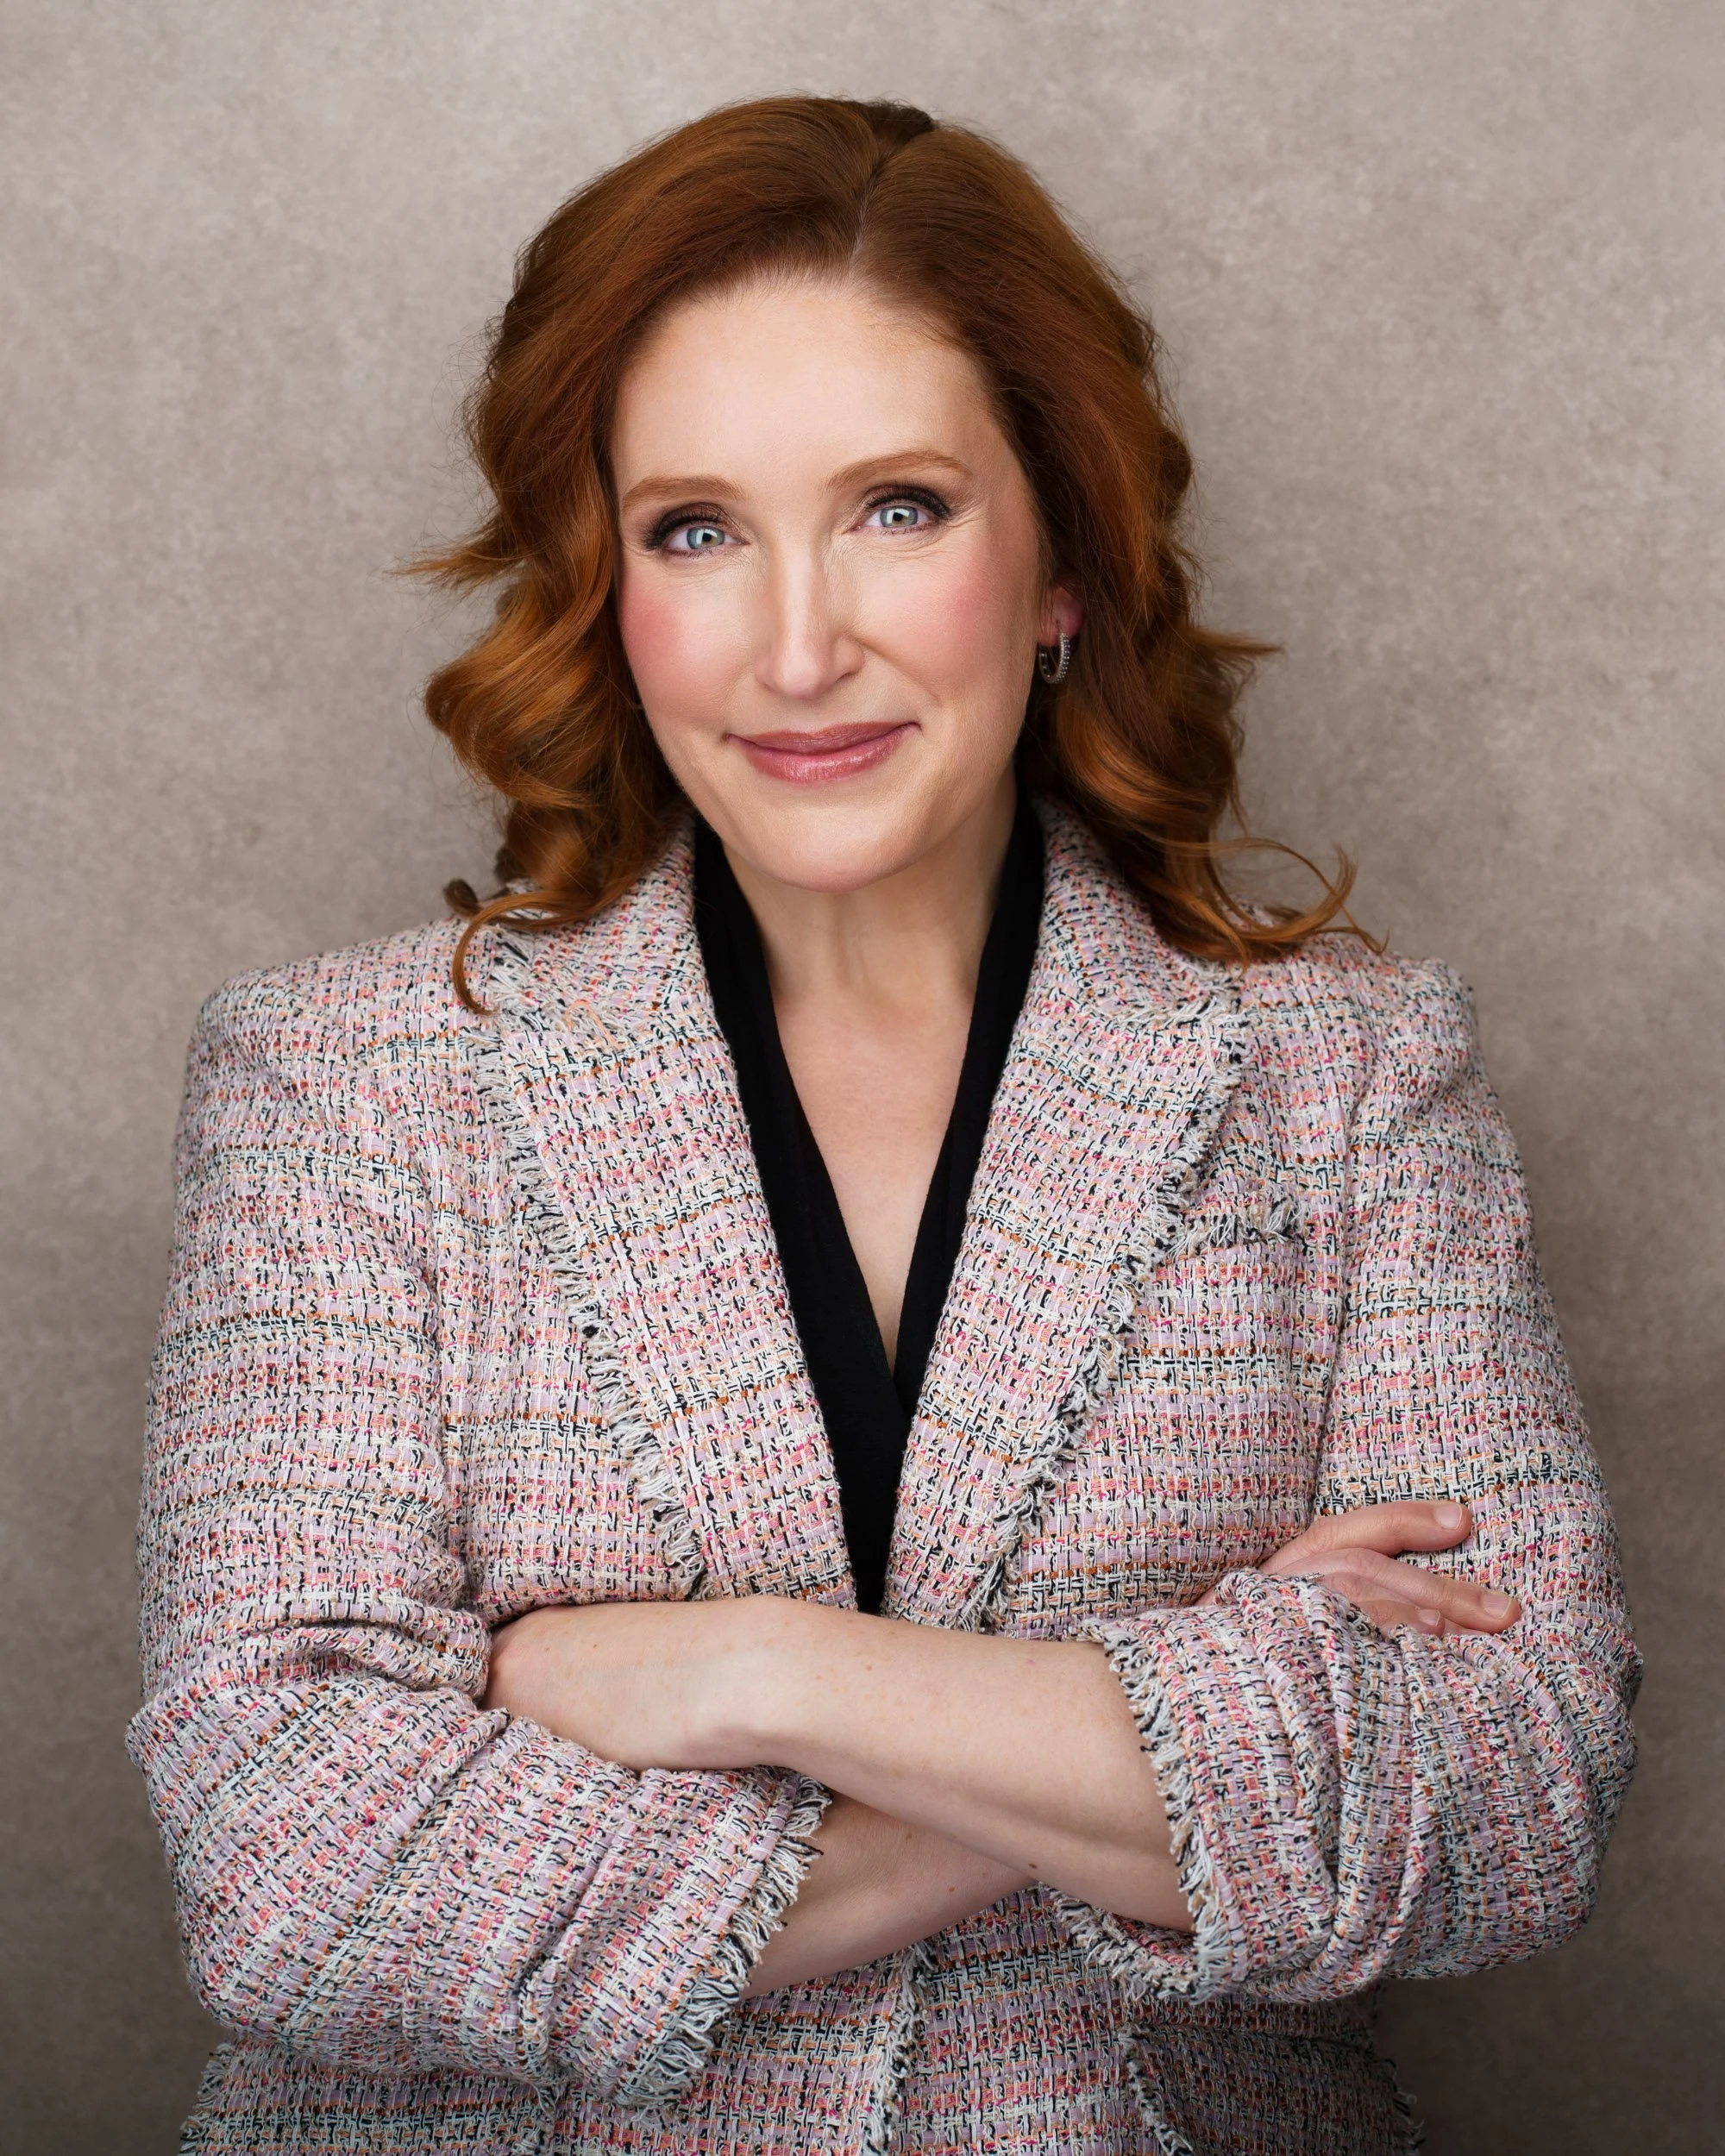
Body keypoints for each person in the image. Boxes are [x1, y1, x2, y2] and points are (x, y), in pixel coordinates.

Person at [129, 97, 1639, 2155]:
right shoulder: (350, 1087)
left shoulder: (1349, 1079)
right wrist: (1196, 1690)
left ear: (1062, 564)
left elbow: (1512, 1790)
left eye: (898, 508)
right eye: (695, 529)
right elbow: (292, 1863)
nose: (799, 643)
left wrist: (746, 1670)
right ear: (605, 588)